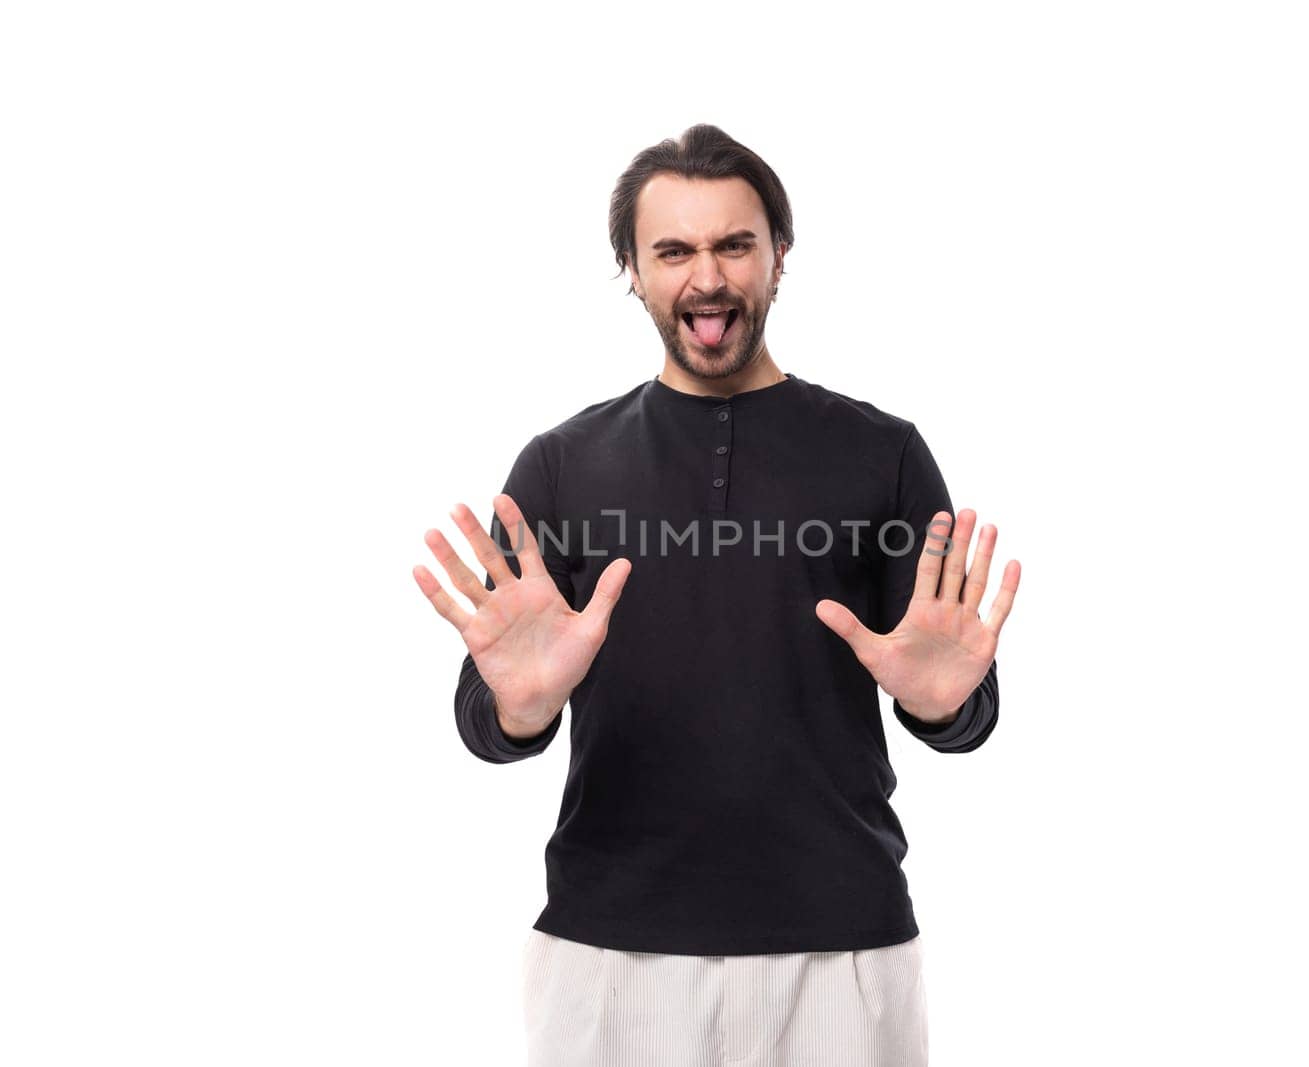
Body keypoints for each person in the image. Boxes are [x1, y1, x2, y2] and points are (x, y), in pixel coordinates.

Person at [411, 124, 1020, 1067]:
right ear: (631, 268)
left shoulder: (883, 453)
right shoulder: (561, 465)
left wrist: (946, 705)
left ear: (779, 255)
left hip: (842, 946)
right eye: (674, 250)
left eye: (735, 244)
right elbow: (485, 718)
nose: (708, 277)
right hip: (609, 954)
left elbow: (963, 701)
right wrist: (519, 706)